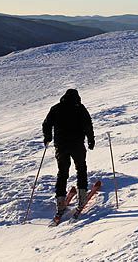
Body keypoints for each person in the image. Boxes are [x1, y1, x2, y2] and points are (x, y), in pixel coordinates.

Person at [42, 89, 95, 218]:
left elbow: (46, 124)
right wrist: (91, 139)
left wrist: (48, 137)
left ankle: (60, 202)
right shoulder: (80, 108)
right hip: (77, 145)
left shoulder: (56, 108)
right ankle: (82, 196)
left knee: (62, 172)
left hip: (61, 146)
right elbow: (88, 125)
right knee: (81, 168)